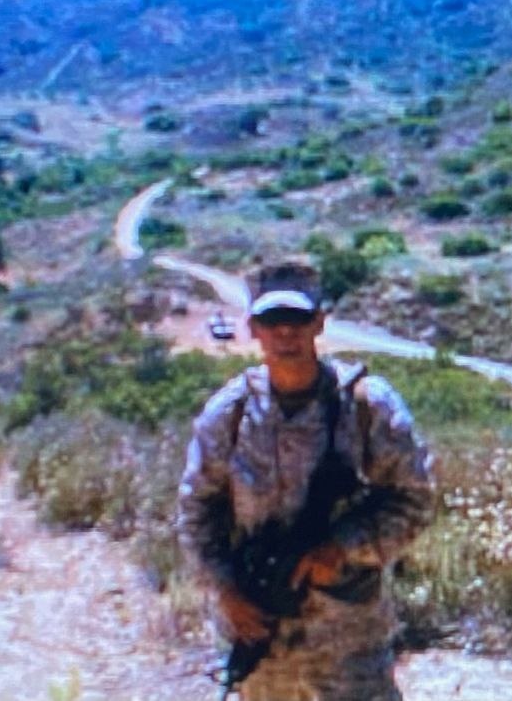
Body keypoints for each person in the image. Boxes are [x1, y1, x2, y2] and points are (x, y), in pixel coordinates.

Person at [178, 261, 435, 701]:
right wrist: (225, 591)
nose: (285, 333)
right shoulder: (230, 415)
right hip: (262, 638)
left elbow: (415, 499)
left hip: (348, 639)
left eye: (297, 319)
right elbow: (197, 510)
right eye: (272, 320)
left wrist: (343, 547)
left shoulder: (366, 406)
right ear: (253, 328)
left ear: (319, 322)